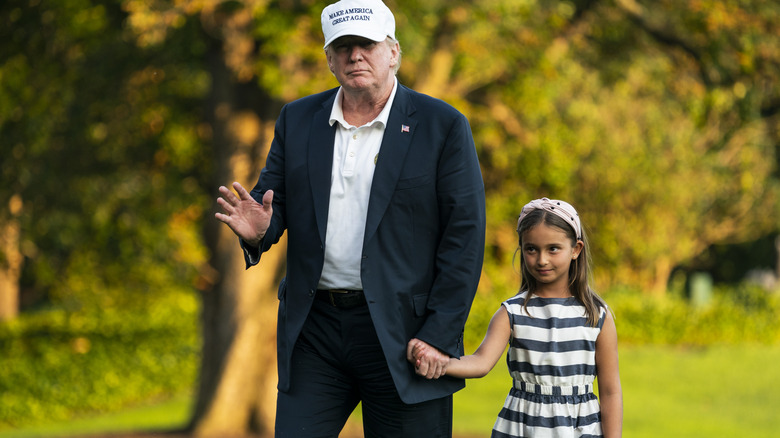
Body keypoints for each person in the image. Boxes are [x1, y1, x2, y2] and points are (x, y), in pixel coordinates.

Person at [214, 0, 486, 436]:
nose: (354, 55)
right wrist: (261, 232)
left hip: (406, 334)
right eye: (342, 47)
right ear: (329, 59)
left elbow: (465, 239)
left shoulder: (443, 125)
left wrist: (439, 332)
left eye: (366, 44)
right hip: (316, 331)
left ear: (393, 52)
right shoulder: (297, 119)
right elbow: (273, 203)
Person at [410, 198, 622, 437]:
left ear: (576, 249)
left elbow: (610, 390)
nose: (541, 259)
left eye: (553, 248)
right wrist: (437, 361)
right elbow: (480, 363)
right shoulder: (512, 312)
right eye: (531, 249)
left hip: (579, 429)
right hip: (522, 427)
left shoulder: (596, 315)